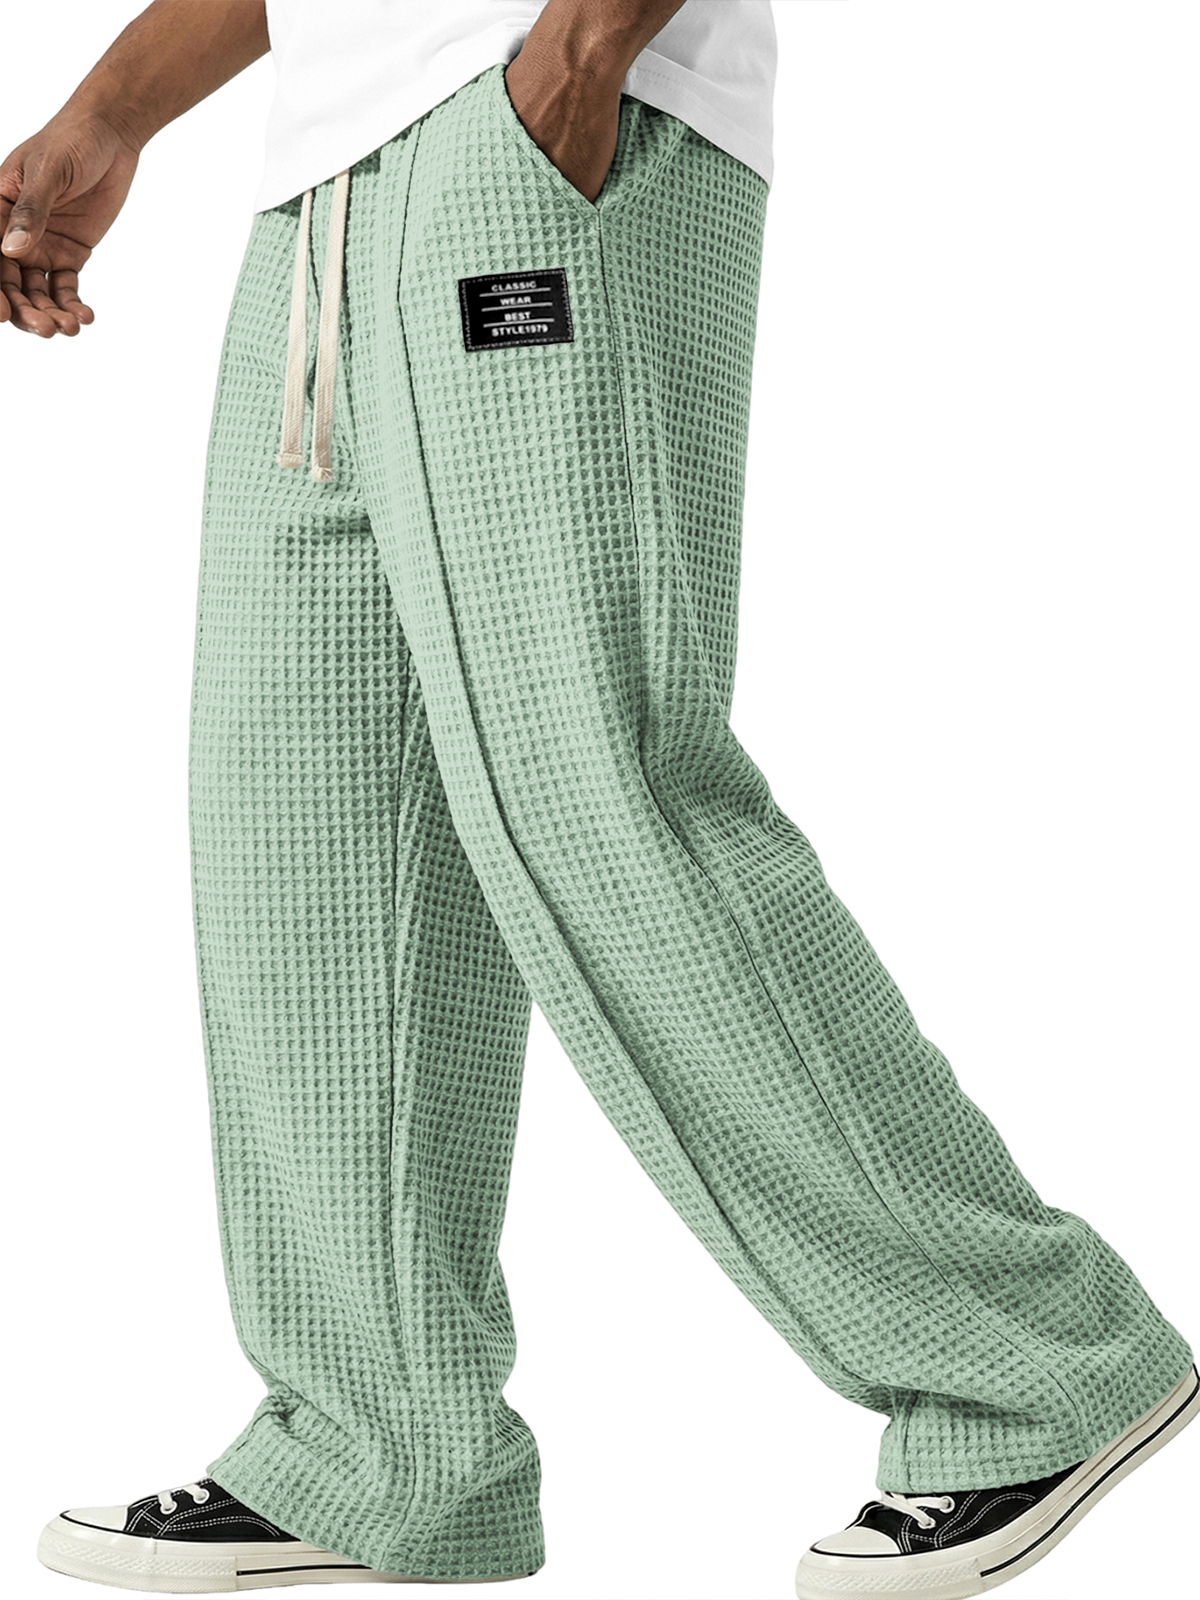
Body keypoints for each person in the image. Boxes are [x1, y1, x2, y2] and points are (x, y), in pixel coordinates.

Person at [6, 3, 1195, 1596]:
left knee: (596, 795)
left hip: (539, 135)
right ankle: (384, 1452)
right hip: (323, 200)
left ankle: (1039, 1362)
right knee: (304, 831)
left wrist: (575, 61)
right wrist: (110, 115)